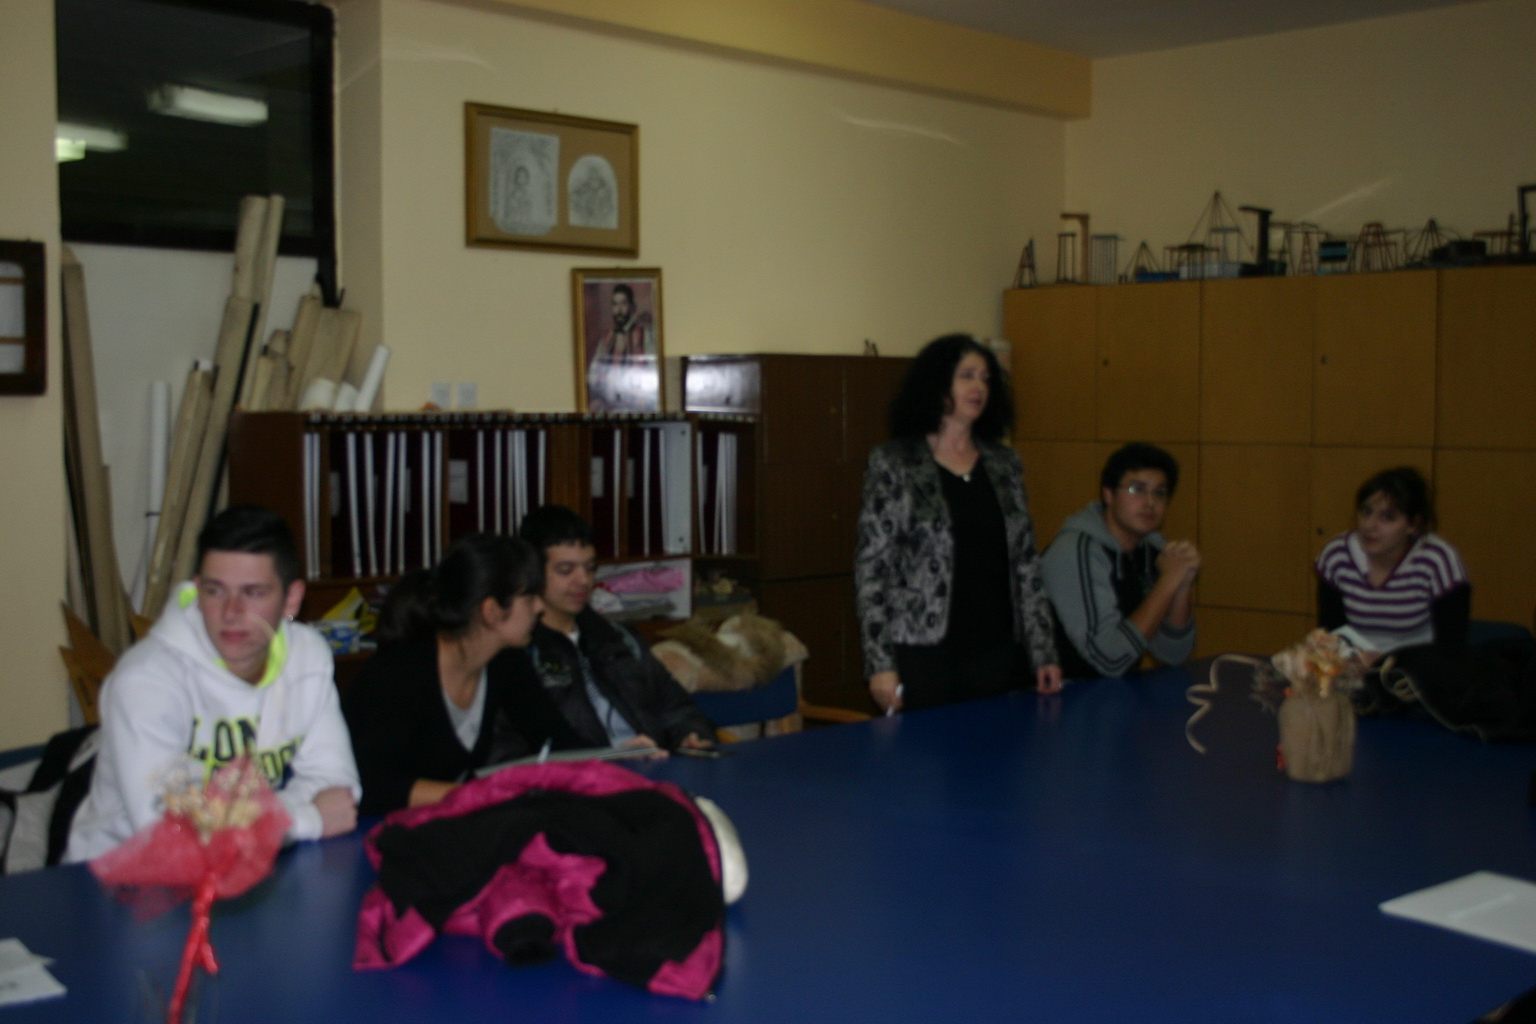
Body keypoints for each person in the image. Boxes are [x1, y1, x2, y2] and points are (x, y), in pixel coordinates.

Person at [66, 505, 360, 862]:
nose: (231, 612)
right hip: (122, 874)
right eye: (215, 591)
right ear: (196, 591)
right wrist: (304, 819)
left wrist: (243, 823)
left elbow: (337, 790)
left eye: (253, 593)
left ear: (292, 599)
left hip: (250, 864)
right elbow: (169, 832)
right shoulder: (146, 679)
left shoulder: (306, 656)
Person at [854, 333, 1061, 713]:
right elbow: (872, 571)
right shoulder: (896, 462)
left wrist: (1043, 650)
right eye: (966, 375)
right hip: (923, 652)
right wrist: (880, 663)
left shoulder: (1005, 463)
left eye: (985, 379)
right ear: (937, 384)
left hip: (997, 648)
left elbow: (1026, 564)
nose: (978, 387)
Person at [342, 533, 584, 815]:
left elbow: (556, 740)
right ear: (491, 611)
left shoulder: (505, 661)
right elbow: (371, 785)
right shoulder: (397, 673)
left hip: (452, 822)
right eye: (530, 597)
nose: (540, 607)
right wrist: (483, 794)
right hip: (380, 828)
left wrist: (615, 756)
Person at [518, 505, 715, 750]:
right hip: (584, 770)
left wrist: (689, 735)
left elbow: (676, 706)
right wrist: (611, 758)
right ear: (533, 573)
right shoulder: (521, 652)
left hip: (651, 763)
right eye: (565, 571)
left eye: (590, 568)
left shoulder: (619, 638)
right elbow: (519, 748)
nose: (583, 580)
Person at [1041, 443, 1199, 680]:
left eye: (1159, 493)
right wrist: (1168, 582)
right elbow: (1110, 659)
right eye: (1137, 490)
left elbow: (1174, 655)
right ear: (1108, 495)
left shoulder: (1153, 550)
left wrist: (1182, 583)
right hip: (1049, 692)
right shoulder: (1074, 551)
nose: (1150, 502)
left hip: (1111, 691)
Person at [1315, 466, 1469, 662]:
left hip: (1419, 667)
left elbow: (1451, 648)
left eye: (1387, 517)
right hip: (1352, 664)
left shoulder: (1437, 559)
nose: (1369, 525)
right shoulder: (1337, 555)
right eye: (1366, 512)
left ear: (1413, 525)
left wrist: (1387, 662)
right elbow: (1331, 634)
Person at [586, 283, 658, 413]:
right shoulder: (606, 339)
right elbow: (594, 374)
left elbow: (655, 371)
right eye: (615, 304)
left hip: (639, 405)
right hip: (611, 407)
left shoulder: (646, 334)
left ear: (631, 306)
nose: (619, 310)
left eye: (623, 304)